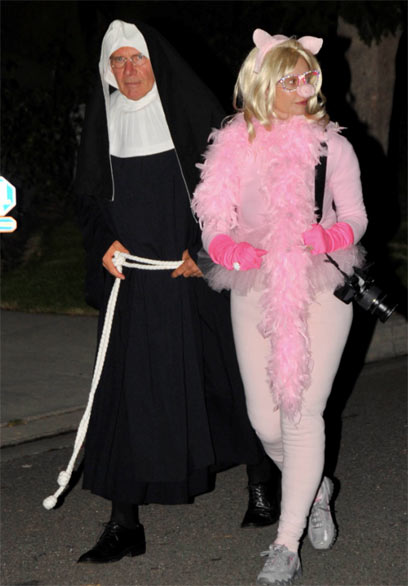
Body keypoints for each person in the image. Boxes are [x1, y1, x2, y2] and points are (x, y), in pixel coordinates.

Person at [66, 19, 280, 564]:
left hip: (192, 275)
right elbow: (87, 200)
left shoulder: (192, 117)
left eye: (136, 57)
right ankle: (123, 525)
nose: (128, 69)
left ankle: (262, 480)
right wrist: (103, 243)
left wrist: (204, 250)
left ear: (156, 62)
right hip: (133, 285)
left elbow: (237, 194)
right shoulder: (104, 123)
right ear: (107, 70)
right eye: (118, 61)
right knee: (122, 398)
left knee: (226, 384)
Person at [192, 29, 368, 585]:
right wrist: (228, 249)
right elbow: (213, 221)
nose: (302, 88)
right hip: (254, 285)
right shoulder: (233, 147)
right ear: (263, 84)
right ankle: (316, 487)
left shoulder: (332, 147)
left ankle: (286, 544)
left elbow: (357, 216)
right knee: (265, 421)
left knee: (302, 412)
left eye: (308, 77)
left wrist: (332, 235)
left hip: (319, 285)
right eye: (289, 79)